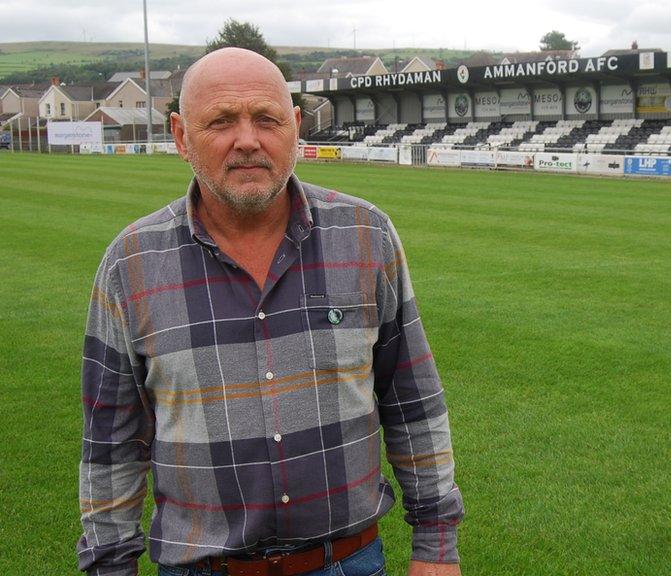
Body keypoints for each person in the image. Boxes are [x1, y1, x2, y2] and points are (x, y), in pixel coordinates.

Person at [77, 47, 463, 576]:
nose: (248, 140)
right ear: (182, 136)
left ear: (296, 128)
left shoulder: (366, 235)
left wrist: (436, 544)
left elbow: (412, 400)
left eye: (266, 119)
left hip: (347, 564)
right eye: (221, 121)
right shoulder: (131, 264)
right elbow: (111, 445)